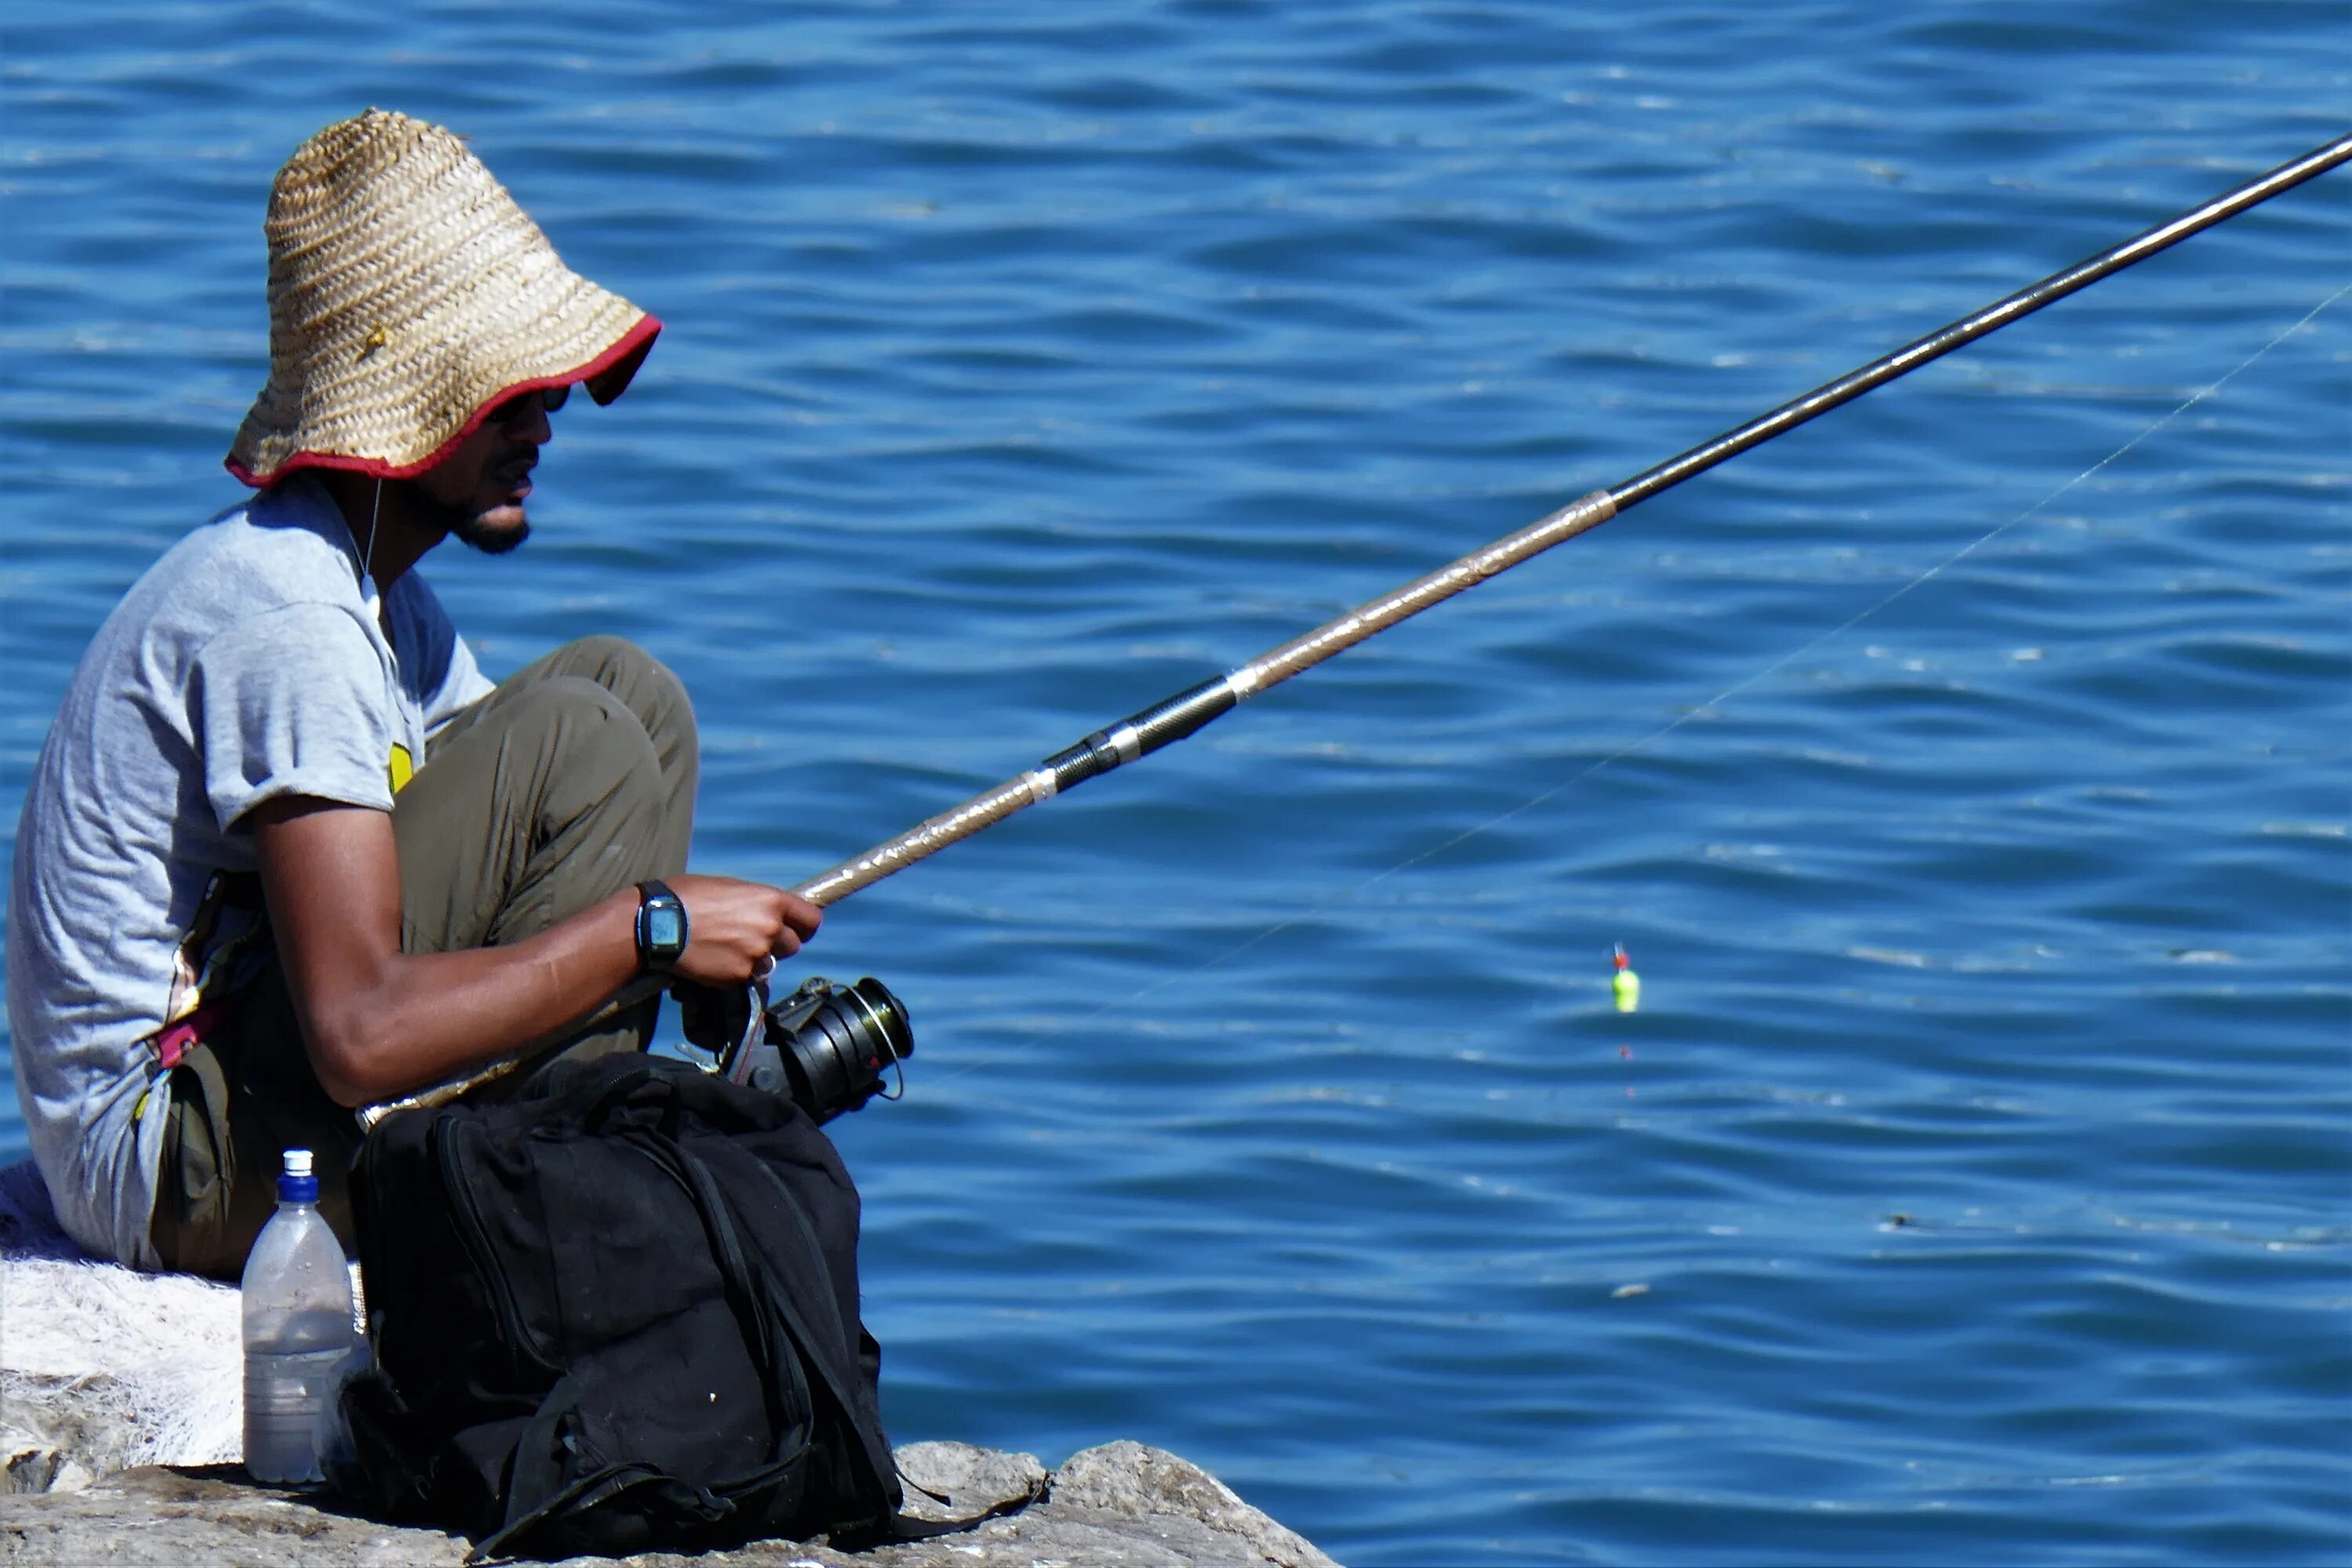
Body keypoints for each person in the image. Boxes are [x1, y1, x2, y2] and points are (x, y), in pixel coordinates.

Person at [5, 108, 821, 1281]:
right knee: (584, 738)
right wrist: (652, 927)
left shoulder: (375, 593)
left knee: (626, 694)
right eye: (508, 394)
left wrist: (666, 951)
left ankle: (570, 1149)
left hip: (239, 1072)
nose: (547, 423)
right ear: (407, 406)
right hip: (162, 1160)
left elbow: (525, 852)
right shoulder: (290, 617)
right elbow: (357, 1035)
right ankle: (555, 1202)